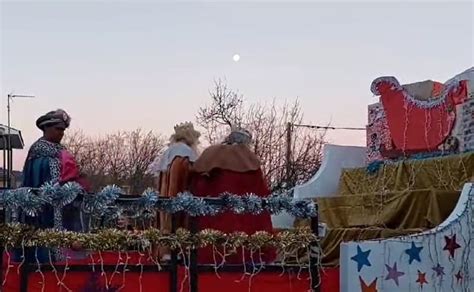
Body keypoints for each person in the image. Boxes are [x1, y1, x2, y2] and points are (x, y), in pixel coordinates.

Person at [190, 127, 276, 264]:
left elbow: (198, 186)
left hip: (213, 216)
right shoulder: (248, 160)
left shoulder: (211, 154)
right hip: (244, 219)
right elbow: (261, 192)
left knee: (211, 245)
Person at [15, 109, 89, 263]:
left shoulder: (60, 151)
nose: (62, 133)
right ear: (46, 128)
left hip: (62, 207)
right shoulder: (40, 152)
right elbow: (39, 182)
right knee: (44, 244)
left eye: (63, 130)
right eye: (58, 129)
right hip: (43, 210)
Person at [147, 122, 200, 261]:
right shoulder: (185, 154)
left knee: (165, 221)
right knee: (179, 221)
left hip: (165, 197)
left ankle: (164, 251)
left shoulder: (169, 152)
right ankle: (179, 251)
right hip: (181, 196)